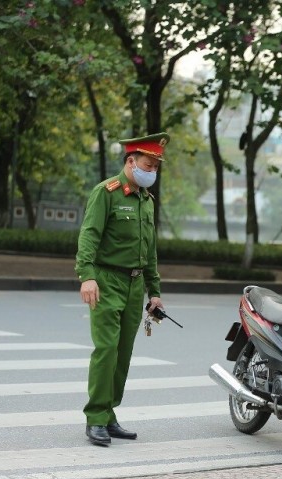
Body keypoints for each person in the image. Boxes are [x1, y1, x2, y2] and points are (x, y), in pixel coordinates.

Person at [75, 133, 170, 447]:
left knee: (123, 353)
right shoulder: (107, 192)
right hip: (106, 281)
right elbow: (89, 235)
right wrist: (86, 276)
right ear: (131, 161)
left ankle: (109, 412)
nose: (152, 171)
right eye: (148, 164)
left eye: (156, 166)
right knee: (106, 350)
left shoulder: (146, 200)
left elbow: (150, 250)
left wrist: (154, 291)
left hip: (135, 285)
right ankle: (96, 417)